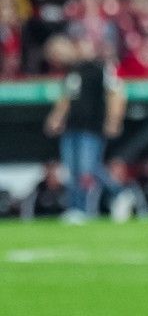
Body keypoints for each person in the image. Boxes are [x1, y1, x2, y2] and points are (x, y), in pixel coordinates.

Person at [43, 35, 125, 223]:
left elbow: (116, 94)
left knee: (87, 169)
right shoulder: (72, 72)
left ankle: (118, 193)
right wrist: (56, 118)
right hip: (72, 127)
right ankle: (76, 209)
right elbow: (66, 98)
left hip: (91, 127)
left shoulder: (100, 68)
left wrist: (113, 119)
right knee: (72, 170)